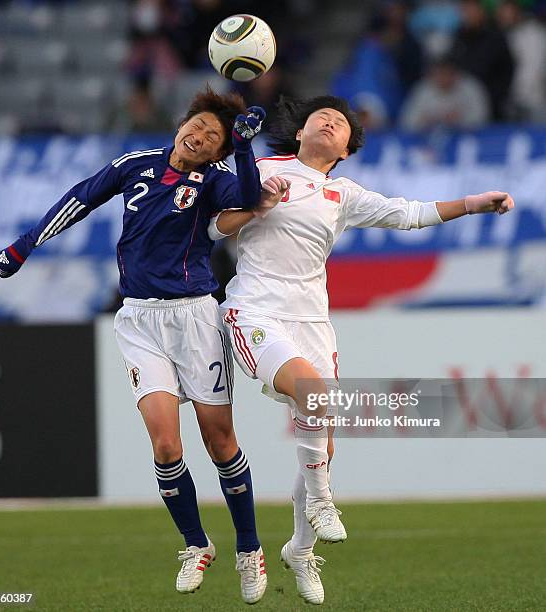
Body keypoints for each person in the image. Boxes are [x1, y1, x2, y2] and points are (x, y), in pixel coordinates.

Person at [208, 95, 515, 604]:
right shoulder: (260, 168)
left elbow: (408, 213)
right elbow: (214, 227)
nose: (330, 121)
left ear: (347, 150)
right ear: (301, 129)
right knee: (311, 396)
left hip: (314, 325)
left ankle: (301, 552)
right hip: (255, 311)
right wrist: (256, 203)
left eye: (342, 124)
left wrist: (474, 203)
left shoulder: (342, 193)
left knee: (323, 448)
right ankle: (323, 501)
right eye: (322, 116)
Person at [0, 87, 286, 605]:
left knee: (220, 441)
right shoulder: (136, 164)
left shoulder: (216, 180)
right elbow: (80, 198)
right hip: (139, 320)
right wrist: (24, 245)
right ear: (180, 126)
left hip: (196, 317)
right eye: (196, 125)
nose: (198, 135)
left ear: (218, 151)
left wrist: (242, 145)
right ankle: (196, 544)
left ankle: (249, 547)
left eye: (211, 136)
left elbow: (247, 197)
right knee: (166, 445)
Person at [400, 55, 490, 131]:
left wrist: (460, 120)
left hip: (465, 140)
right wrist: (425, 121)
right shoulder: (423, 89)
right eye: (439, 74)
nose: (443, 78)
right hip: (428, 142)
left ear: (455, 74)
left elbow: (482, 118)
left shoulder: (470, 87)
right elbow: (406, 122)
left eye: (447, 73)